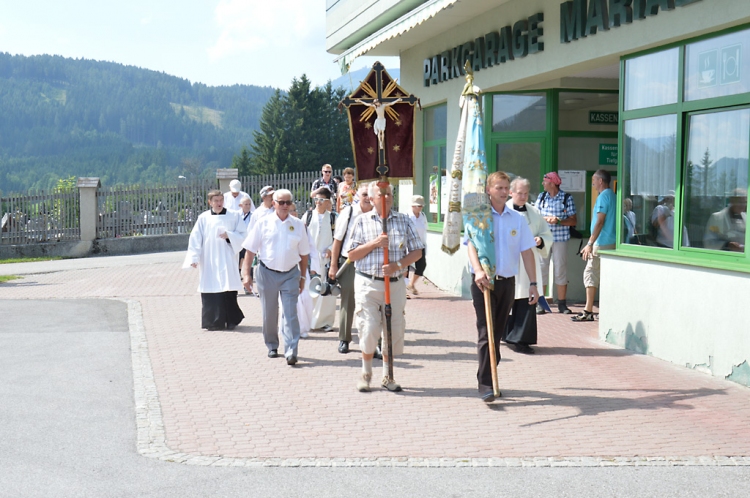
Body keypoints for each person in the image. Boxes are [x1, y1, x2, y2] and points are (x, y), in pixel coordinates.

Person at [467, 172, 540, 402]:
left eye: (506, 187)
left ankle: (488, 373)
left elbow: (527, 251)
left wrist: (534, 284)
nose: (503, 191)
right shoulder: (479, 216)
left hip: (507, 282)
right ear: (488, 189)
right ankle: (486, 385)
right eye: (498, 187)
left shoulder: (517, 219)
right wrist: (478, 270)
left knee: (497, 334)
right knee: (485, 332)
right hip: (483, 282)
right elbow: (470, 245)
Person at [347, 182, 424, 393]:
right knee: (369, 328)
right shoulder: (361, 221)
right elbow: (352, 255)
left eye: (389, 194)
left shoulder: (404, 220)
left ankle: (388, 376)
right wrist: (375, 243)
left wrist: (398, 265)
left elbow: (417, 251)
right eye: (381, 194)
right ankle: (366, 374)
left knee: (392, 330)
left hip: (395, 285)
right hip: (368, 283)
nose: (386, 197)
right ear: (371, 199)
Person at [241, 189, 309, 365]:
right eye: (281, 202)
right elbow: (250, 250)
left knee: (290, 313)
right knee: (269, 313)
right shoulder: (263, 223)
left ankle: (291, 350)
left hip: (290, 274)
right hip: (267, 273)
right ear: (274, 204)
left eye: (288, 202)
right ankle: (272, 345)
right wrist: (245, 274)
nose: (285, 206)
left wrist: (302, 278)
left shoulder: (298, 225)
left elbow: (304, 254)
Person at [183, 189, 247, 331]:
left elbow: (243, 234)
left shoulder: (234, 216)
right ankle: (213, 322)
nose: (219, 203)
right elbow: (195, 238)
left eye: (221, 200)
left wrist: (229, 236)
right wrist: (193, 257)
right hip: (209, 258)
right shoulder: (204, 218)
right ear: (210, 202)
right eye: (216, 201)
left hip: (227, 257)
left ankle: (231, 320)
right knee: (211, 288)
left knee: (228, 288)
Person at [503, 177, 552, 354]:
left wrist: (540, 241)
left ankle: (521, 339)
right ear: (511, 192)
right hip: (508, 262)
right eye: (519, 193)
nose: (523, 196)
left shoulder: (534, 212)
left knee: (526, 298)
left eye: (525, 193)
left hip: (528, 265)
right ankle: (505, 334)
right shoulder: (503, 210)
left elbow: (546, 234)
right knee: (507, 298)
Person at [329, 182, 374, 354]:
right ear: (357, 197)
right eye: (364, 195)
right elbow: (338, 240)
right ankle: (344, 339)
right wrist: (334, 266)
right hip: (349, 262)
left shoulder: (377, 213)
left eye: (370, 195)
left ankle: (372, 342)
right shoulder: (348, 213)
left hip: (371, 263)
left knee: (371, 302)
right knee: (348, 301)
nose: (368, 199)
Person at [572, 170, 616, 323]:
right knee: (603, 276)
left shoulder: (603, 197)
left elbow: (600, 221)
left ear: (601, 181)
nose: (593, 184)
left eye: (594, 180)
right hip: (610, 242)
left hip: (601, 242)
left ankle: (588, 310)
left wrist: (590, 243)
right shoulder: (613, 195)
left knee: (590, 273)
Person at [535, 171, 577, 315]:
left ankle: (562, 304)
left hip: (560, 239)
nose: (543, 184)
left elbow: (573, 220)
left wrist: (558, 220)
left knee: (560, 270)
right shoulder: (541, 198)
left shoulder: (566, 198)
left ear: (552, 183)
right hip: (544, 239)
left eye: (544, 181)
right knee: (542, 269)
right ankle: (540, 303)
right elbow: (534, 217)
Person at [305, 187, 337, 332]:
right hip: (311, 259)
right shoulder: (308, 216)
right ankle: (309, 320)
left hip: (326, 259)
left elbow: (338, 238)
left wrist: (331, 249)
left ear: (327, 202)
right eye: (316, 199)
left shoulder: (333, 218)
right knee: (309, 288)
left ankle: (326, 321)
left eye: (321, 200)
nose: (318, 202)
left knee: (326, 291)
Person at [406, 195, 428, 296]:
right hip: (408, 245)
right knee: (405, 267)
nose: (419, 208)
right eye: (417, 206)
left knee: (421, 265)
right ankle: (403, 290)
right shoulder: (407, 216)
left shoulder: (423, 215)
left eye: (421, 206)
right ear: (412, 206)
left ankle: (411, 284)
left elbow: (424, 230)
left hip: (420, 245)